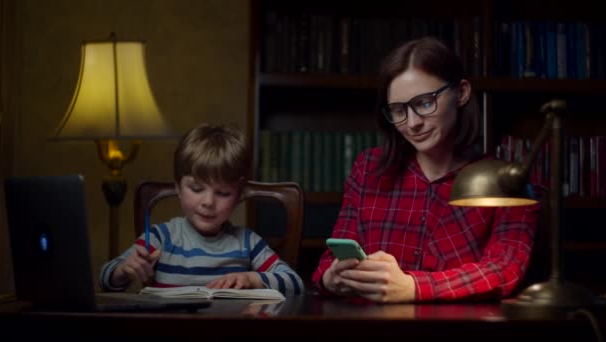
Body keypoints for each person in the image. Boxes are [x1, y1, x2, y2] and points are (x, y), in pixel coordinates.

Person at [312, 36, 540, 303]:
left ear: (462, 93)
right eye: (398, 110)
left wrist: (413, 287)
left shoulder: (506, 180)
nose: (412, 123)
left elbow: (503, 269)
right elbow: (327, 263)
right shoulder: (368, 169)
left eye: (424, 103)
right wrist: (332, 277)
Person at [100, 123, 304, 295]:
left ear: (239, 195)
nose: (208, 202)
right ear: (178, 188)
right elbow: (105, 278)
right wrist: (122, 271)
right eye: (196, 188)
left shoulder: (247, 242)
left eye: (223, 193)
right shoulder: (159, 238)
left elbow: (295, 283)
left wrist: (253, 279)